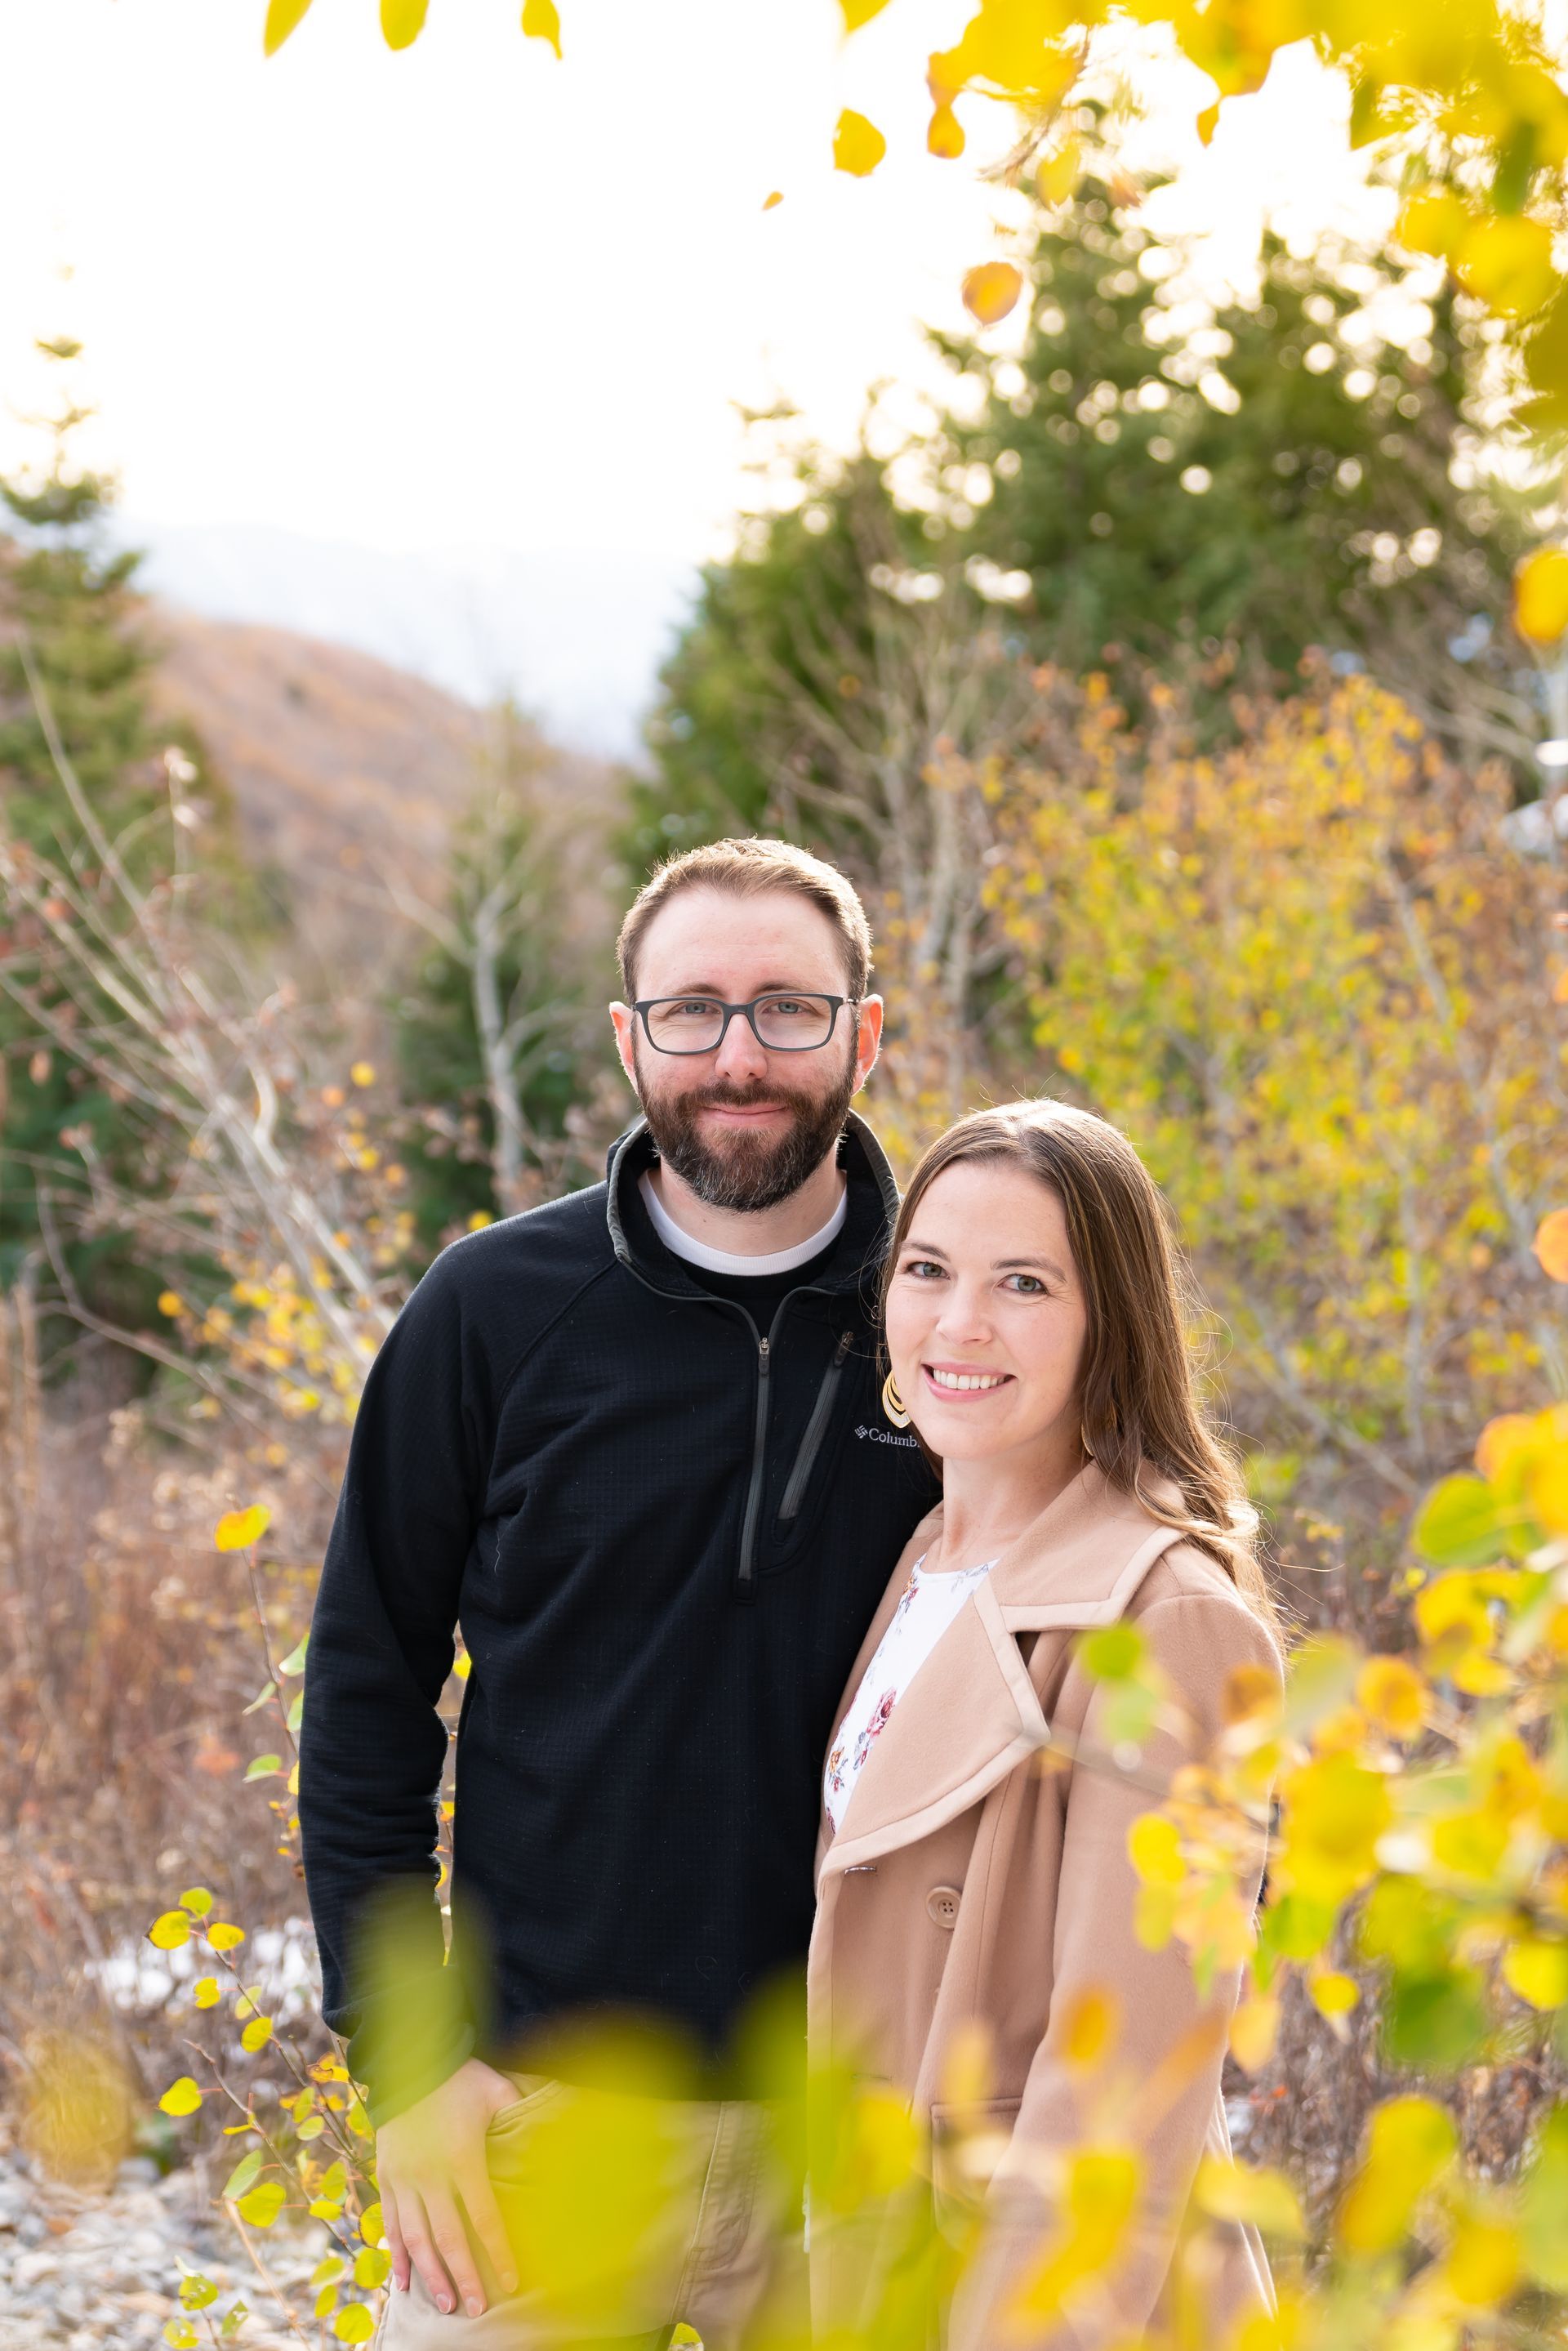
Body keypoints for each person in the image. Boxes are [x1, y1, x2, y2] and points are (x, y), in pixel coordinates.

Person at [297, 838, 938, 2347]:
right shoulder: (491, 1309)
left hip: (862, 2123)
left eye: (789, 1008)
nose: (739, 1055)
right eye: (691, 1009)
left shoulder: (954, 1317)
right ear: (627, 1036)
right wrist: (408, 2070)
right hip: (536, 2121)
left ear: (864, 1030)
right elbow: (368, 1693)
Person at [808, 1099, 1285, 2350]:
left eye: (1023, 1282)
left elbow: (1125, 2077)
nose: (958, 1322)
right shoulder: (928, 1554)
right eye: (928, 1269)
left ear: (1109, 1321)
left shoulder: (1169, 1616)